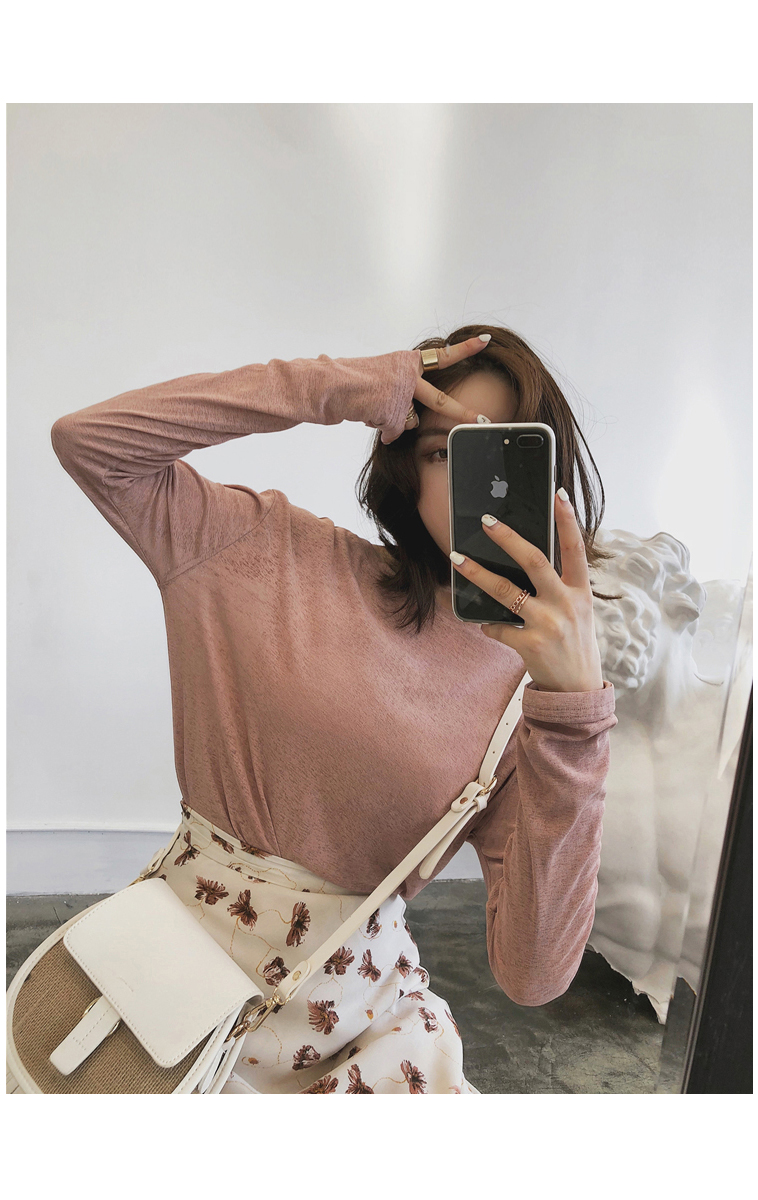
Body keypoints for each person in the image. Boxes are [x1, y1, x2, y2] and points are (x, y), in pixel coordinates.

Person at [49, 325, 618, 1094]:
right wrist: (339, 386)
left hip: (366, 1031)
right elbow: (90, 443)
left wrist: (575, 718)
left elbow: (533, 976)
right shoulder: (264, 551)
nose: (473, 486)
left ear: (549, 476)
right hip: (172, 986)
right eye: (443, 452)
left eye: (502, 454)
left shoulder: (536, 695)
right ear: (405, 468)